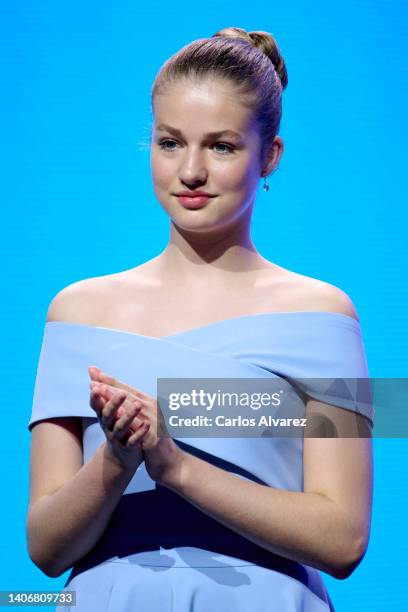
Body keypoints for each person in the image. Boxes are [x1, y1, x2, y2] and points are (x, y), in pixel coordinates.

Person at [26, 27, 374, 611]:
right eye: (169, 143)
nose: (190, 171)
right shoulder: (76, 311)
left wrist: (175, 465)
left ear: (270, 155)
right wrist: (115, 460)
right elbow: (44, 548)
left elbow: (344, 540)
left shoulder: (326, 316)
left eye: (221, 146)